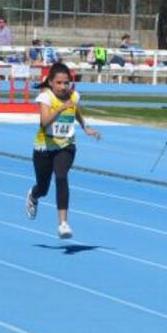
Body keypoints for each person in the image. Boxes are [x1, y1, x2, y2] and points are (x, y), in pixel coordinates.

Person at [24, 62, 101, 238]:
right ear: (50, 82)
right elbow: (44, 122)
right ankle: (33, 195)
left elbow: (76, 111)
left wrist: (86, 127)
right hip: (44, 147)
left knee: (61, 176)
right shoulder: (45, 97)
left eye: (66, 83)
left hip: (66, 146)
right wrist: (59, 109)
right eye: (59, 83)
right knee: (43, 188)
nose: (63, 87)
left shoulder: (73, 96)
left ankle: (63, 224)